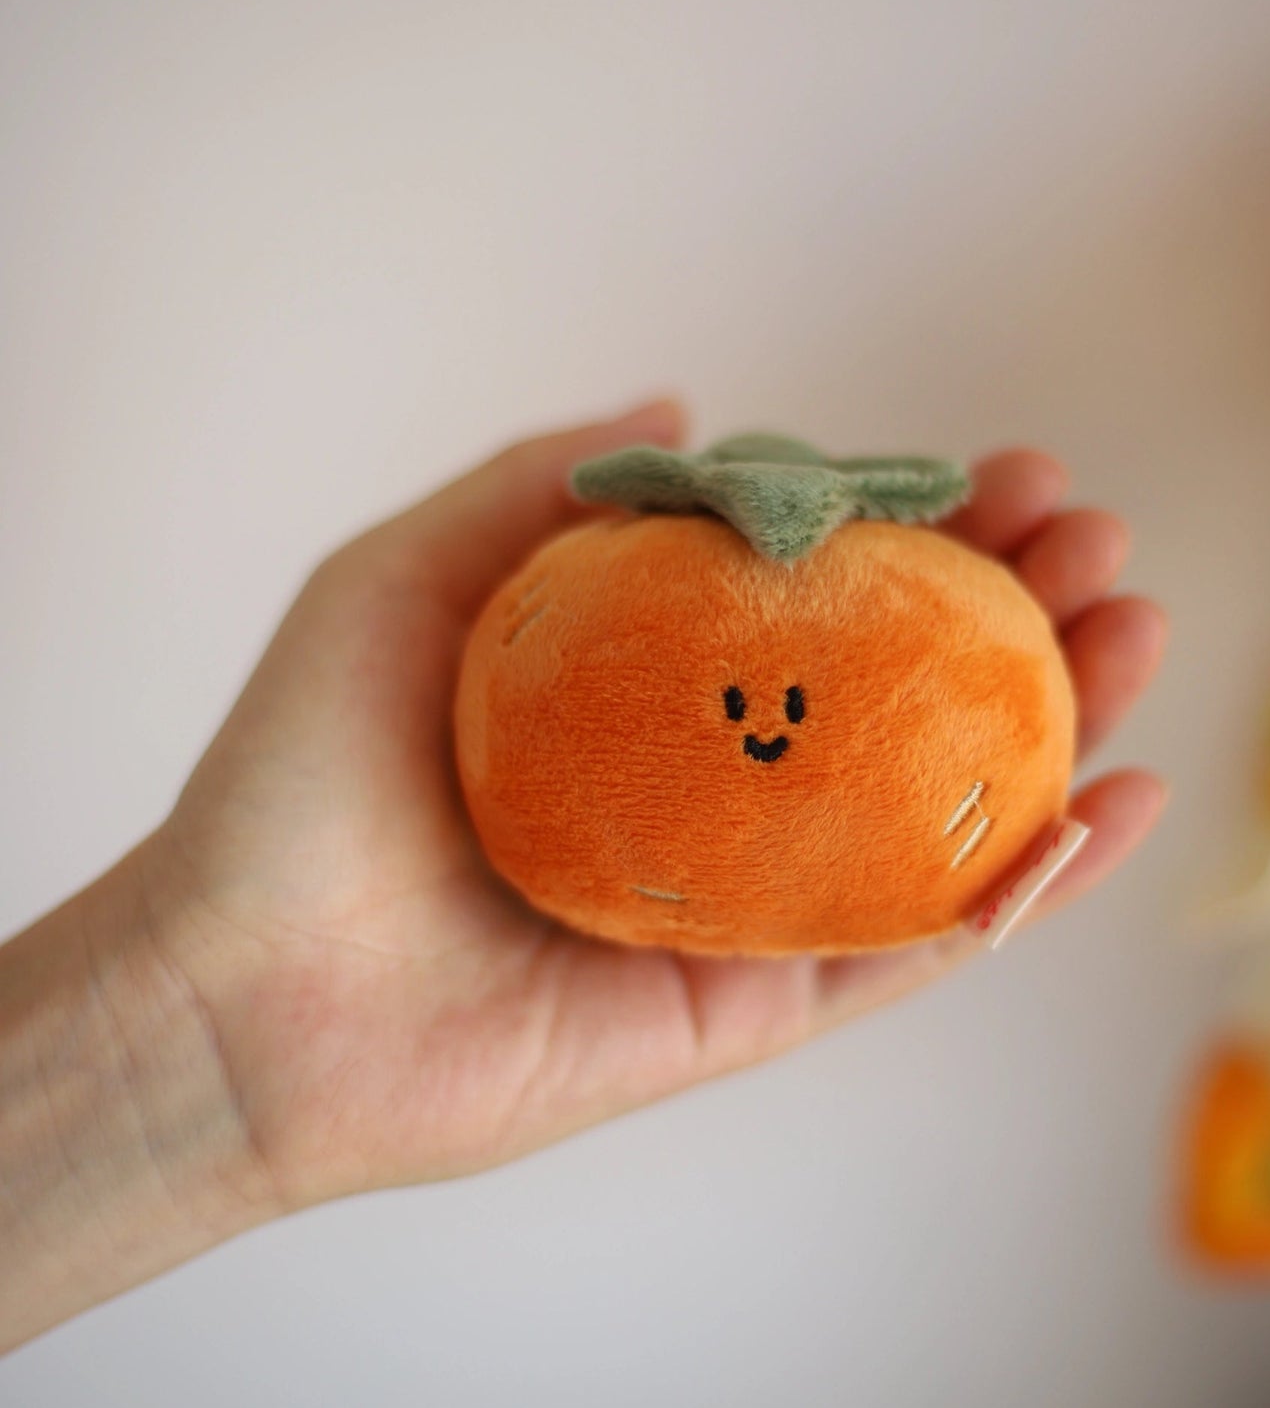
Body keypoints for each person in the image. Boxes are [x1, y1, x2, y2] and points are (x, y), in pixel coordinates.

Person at [0, 399, 1167, 1351]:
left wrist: (183, 1048)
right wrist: (189, 1034)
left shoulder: (586, 596)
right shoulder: (964, 625)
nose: (765, 718)